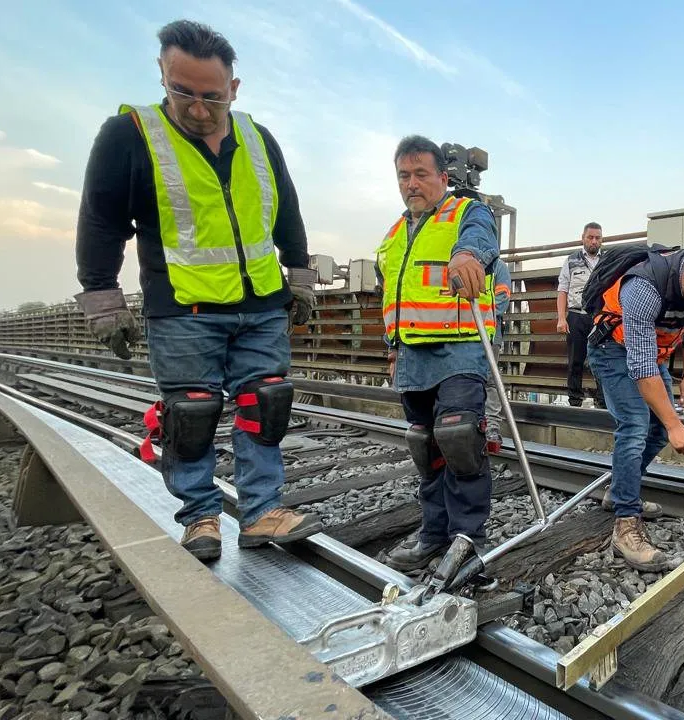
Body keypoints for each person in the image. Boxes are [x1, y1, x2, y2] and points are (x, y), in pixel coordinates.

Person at [73, 20, 322, 561]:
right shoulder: (132, 137)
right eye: (183, 92)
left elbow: (288, 214)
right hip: (182, 306)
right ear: (163, 75)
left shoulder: (257, 138)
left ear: (233, 88)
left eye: (211, 96)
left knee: (265, 404)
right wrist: (102, 300)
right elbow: (100, 221)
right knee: (191, 412)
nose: (199, 108)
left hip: (259, 301)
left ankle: (262, 512)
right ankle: (200, 515)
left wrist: (298, 278)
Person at [376, 135, 500, 572]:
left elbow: (481, 238)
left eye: (421, 174)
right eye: (404, 176)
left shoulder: (466, 211)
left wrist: (467, 256)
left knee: (459, 437)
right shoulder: (393, 236)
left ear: (442, 178)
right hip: (412, 356)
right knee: (426, 448)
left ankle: (468, 540)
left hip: (460, 348)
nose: (412, 183)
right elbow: (392, 297)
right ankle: (433, 535)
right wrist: (392, 349)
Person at [587, 242, 684, 571]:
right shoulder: (643, 288)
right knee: (635, 425)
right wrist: (677, 424)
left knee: (657, 428)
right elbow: (642, 366)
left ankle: (618, 491)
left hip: (652, 352)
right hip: (612, 348)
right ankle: (625, 525)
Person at [556, 223, 606, 408]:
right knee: (575, 360)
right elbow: (563, 289)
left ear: (601, 239)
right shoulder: (571, 260)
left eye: (597, 238)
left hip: (600, 318)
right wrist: (562, 318)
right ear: (583, 238)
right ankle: (574, 400)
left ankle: (603, 401)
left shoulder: (607, 260)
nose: (594, 241)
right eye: (590, 237)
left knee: (601, 359)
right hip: (576, 316)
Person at [485, 259, 511, 453]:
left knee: (490, 380)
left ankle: (492, 427)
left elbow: (502, 298)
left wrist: (475, 318)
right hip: (459, 334)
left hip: (490, 333)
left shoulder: (498, 267)